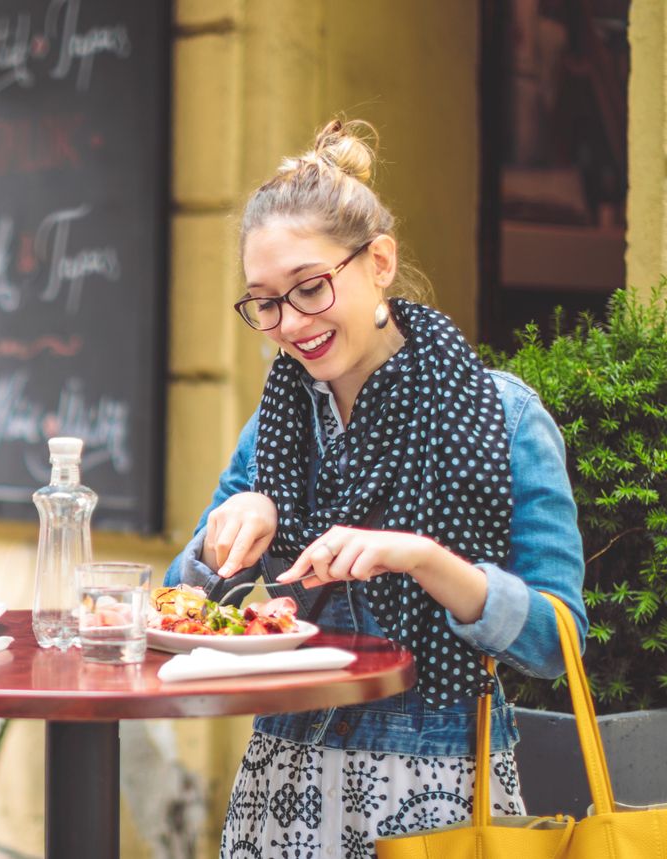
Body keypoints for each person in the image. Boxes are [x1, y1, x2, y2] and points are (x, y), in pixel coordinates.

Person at [164, 119, 586, 858]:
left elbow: (559, 641)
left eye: (310, 287)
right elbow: (184, 605)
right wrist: (232, 524)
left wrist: (426, 558)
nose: (289, 324)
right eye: (265, 302)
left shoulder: (505, 415)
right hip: (285, 782)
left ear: (380, 261)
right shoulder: (274, 428)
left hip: (439, 793)